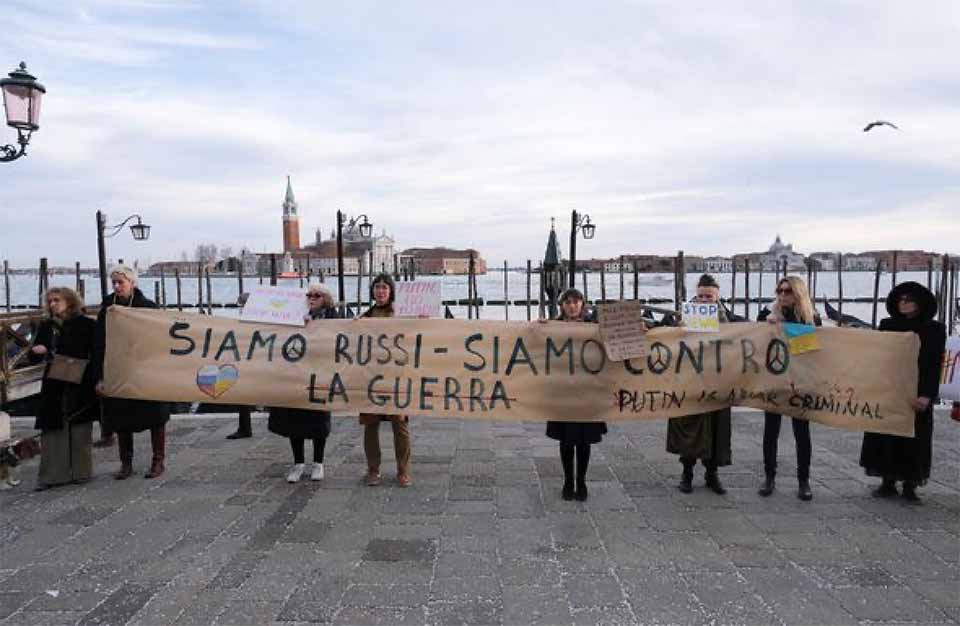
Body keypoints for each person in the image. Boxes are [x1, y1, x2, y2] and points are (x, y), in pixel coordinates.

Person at [860, 282, 946, 503]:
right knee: (885, 434)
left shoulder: (934, 330)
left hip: (917, 390)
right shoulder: (887, 325)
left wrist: (927, 395)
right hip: (889, 389)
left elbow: (934, 364)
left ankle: (911, 484)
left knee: (916, 436)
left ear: (920, 303)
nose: (903, 303)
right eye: (900, 299)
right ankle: (887, 481)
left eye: (908, 300)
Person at [91, 266, 171, 480]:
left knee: (156, 418)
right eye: (114, 282)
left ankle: (158, 462)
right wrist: (99, 376)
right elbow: (99, 343)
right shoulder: (107, 307)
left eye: (121, 282)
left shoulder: (149, 307)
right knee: (120, 417)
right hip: (118, 371)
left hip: (146, 371)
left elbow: (160, 340)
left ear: (132, 283)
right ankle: (126, 464)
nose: (116, 286)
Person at [757, 275, 821, 500]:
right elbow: (755, 344)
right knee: (770, 432)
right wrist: (768, 327)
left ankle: (804, 481)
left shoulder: (812, 319)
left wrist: (784, 328)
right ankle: (769, 477)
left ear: (798, 294)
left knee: (802, 434)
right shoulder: (766, 315)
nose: (783, 295)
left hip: (800, 382)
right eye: (780, 291)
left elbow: (809, 350)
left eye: (788, 291)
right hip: (774, 380)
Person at [667, 274, 732, 495]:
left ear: (717, 297)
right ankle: (687, 474)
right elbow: (665, 337)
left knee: (716, 430)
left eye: (709, 296)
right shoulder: (684, 318)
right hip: (690, 382)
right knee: (688, 427)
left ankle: (712, 475)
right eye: (701, 296)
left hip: (717, 384)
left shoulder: (730, 321)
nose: (704, 300)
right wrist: (678, 328)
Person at [28, 288, 98, 490]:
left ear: (70, 301)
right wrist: (37, 351)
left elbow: (95, 353)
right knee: (53, 427)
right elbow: (34, 355)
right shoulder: (46, 326)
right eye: (49, 301)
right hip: (54, 382)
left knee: (79, 425)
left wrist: (94, 378)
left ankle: (81, 472)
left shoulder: (86, 324)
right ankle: (53, 475)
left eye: (56, 300)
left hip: (80, 379)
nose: (52, 304)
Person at [542, 288, 608, 501]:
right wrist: (535, 327)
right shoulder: (552, 327)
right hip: (564, 392)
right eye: (568, 302)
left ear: (582, 304)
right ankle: (568, 480)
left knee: (584, 441)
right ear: (562, 305)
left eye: (576, 301)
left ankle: (581, 481)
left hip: (589, 392)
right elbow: (533, 343)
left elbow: (620, 339)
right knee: (566, 440)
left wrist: (643, 328)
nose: (572, 305)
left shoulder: (595, 327)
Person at [269, 284, 339, 482]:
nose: (312, 298)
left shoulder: (334, 317)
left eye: (316, 295)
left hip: (320, 374)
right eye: (309, 295)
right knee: (295, 419)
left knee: (318, 420)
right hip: (297, 374)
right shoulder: (296, 314)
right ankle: (298, 463)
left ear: (325, 298)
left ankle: (318, 463)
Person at [359, 274, 412, 487]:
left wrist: (423, 319)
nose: (380, 291)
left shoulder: (402, 314)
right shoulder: (366, 316)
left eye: (384, 287)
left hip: (396, 376)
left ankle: (403, 471)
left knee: (399, 424)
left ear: (391, 291)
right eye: (377, 287)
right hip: (371, 376)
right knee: (370, 425)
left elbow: (417, 333)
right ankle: (373, 469)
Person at [226, 292, 253, 440]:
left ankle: (244, 428)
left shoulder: (249, 319)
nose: (241, 308)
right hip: (248, 358)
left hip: (250, 359)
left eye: (242, 305)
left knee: (243, 393)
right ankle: (244, 427)